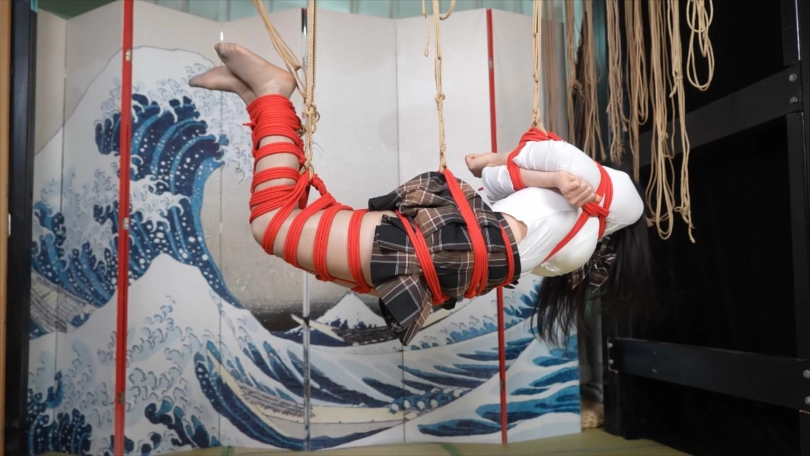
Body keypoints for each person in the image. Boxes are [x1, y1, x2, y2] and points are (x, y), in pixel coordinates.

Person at [189, 43, 651, 346]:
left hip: (448, 248)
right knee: (275, 226)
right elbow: (505, 187)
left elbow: (533, 165)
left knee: (279, 225)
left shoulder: (592, 209)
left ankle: (265, 97)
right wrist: (534, 176)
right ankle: (267, 95)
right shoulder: (576, 242)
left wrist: (529, 172)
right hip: (449, 253)